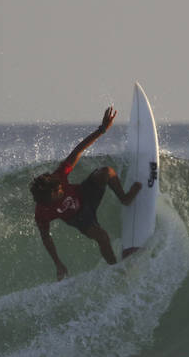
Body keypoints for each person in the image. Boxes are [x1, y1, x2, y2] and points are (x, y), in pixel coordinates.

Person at [30, 107, 142, 280]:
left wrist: (102, 129)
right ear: (49, 199)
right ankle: (117, 270)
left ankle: (124, 198)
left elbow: (78, 150)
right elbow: (46, 238)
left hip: (85, 194)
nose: (61, 189)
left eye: (60, 188)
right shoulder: (42, 212)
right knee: (103, 237)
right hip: (79, 218)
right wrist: (58, 263)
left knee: (105, 171)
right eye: (58, 192)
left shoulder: (58, 176)